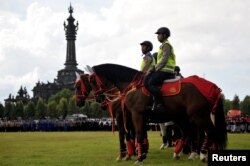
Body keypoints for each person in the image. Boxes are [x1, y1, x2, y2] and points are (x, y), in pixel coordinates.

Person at [144, 27, 176, 110]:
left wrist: (154, 69)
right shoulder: (162, 46)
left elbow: (164, 60)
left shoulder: (166, 45)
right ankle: (153, 102)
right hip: (162, 69)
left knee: (151, 83)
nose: (157, 36)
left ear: (164, 35)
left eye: (159, 34)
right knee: (146, 81)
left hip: (166, 70)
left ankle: (160, 103)